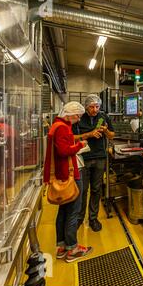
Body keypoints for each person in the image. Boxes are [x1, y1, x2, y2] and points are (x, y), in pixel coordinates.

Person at [43, 102, 93, 263]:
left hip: (60, 175)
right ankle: (73, 249)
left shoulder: (55, 126)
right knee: (73, 212)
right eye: (77, 116)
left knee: (63, 212)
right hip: (69, 175)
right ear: (70, 114)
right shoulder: (63, 127)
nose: (78, 119)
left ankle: (62, 247)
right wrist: (79, 145)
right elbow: (64, 151)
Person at [72, 94, 115, 232]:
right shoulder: (79, 118)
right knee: (83, 190)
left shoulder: (103, 117)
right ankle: (79, 218)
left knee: (96, 189)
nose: (95, 109)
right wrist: (89, 134)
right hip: (83, 158)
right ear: (86, 106)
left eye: (97, 106)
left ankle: (93, 218)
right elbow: (72, 137)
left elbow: (112, 135)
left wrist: (105, 130)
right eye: (92, 107)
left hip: (100, 157)